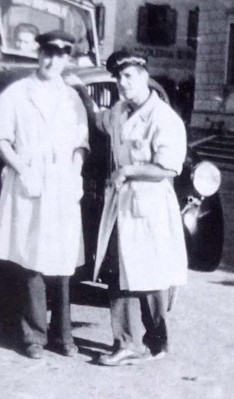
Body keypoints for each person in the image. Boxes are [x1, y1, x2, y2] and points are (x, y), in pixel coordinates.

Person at [81, 50, 188, 366]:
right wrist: (77, 90)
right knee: (119, 271)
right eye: (118, 77)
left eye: (128, 76)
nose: (122, 83)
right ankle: (127, 342)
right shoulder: (120, 111)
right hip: (122, 205)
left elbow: (169, 168)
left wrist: (128, 171)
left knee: (150, 274)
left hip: (150, 204)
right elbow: (98, 120)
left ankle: (156, 341)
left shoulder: (164, 118)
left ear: (144, 77)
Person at [0, 30, 89, 359]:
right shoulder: (17, 93)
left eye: (60, 55)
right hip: (28, 178)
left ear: (67, 59)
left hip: (62, 182)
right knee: (31, 259)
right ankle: (33, 335)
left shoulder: (73, 98)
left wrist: (75, 172)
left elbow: (80, 143)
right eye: (48, 53)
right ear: (39, 54)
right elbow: (0, 139)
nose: (52, 60)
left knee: (61, 261)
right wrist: (22, 168)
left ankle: (63, 335)